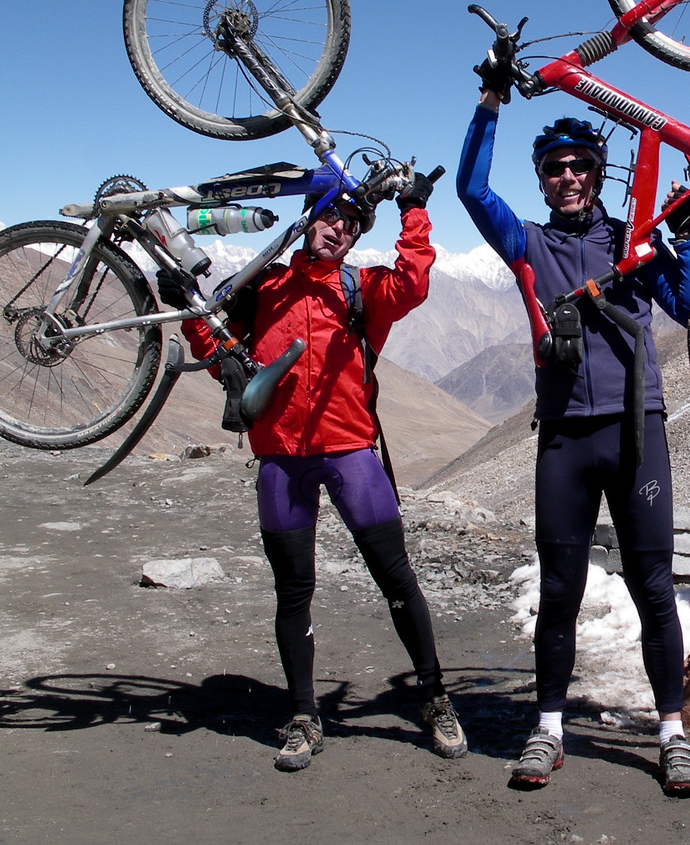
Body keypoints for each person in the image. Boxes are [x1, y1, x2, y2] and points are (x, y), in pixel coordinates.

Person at [157, 174, 467, 772]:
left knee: (396, 579)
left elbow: (414, 281)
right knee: (293, 591)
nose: (341, 230)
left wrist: (414, 213)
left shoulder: (363, 288)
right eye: (332, 217)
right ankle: (303, 714)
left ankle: (434, 697)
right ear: (309, 218)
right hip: (280, 459)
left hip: (351, 452)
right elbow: (214, 344)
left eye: (353, 225)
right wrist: (184, 300)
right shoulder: (262, 284)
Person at [456, 83, 690, 795]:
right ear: (542, 179)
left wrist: (684, 240)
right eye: (553, 168)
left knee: (653, 587)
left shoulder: (632, 239)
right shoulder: (526, 244)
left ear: (598, 172)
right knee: (560, 590)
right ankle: (548, 729)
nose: (567, 177)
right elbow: (473, 189)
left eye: (579, 166)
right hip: (564, 437)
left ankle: (671, 733)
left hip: (636, 432)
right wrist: (489, 102)